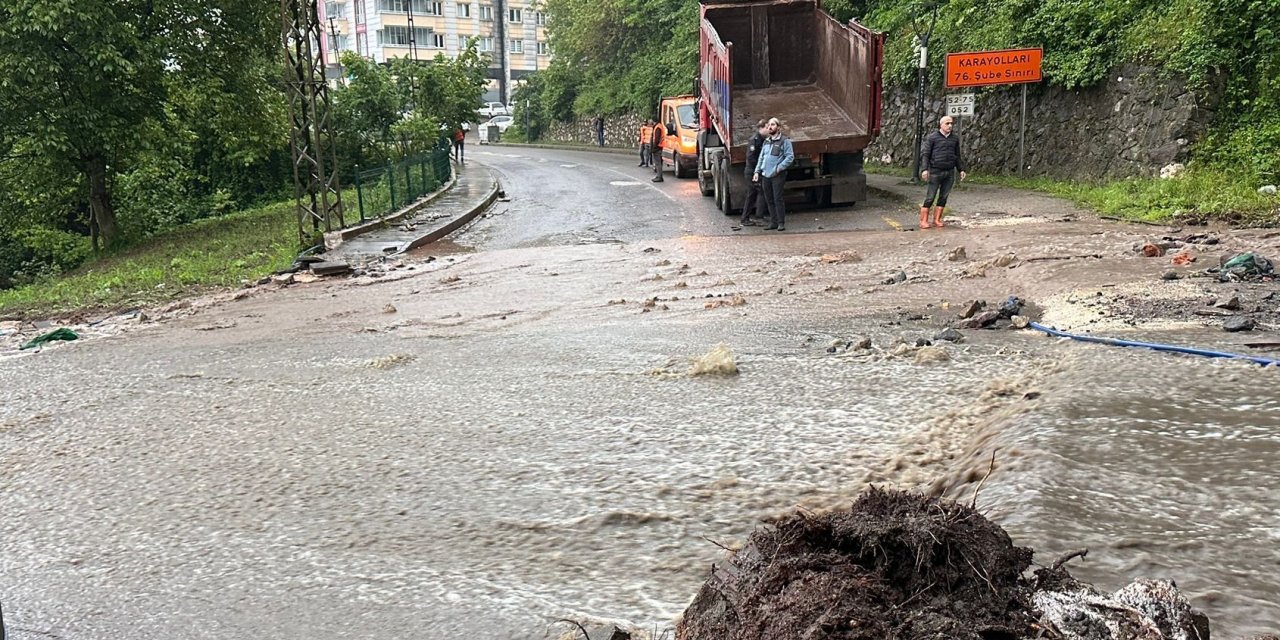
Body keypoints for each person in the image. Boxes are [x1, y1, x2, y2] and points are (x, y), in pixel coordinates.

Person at [919, 115, 967, 228]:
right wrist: (925, 169)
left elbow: (957, 156)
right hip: (935, 171)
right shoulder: (932, 138)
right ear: (941, 125)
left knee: (943, 197)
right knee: (930, 196)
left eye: (951, 123)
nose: (950, 126)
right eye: (947, 123)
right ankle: (923, 220)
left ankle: (937, 219)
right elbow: (926, 155)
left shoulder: (954, 139)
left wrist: (961, 169)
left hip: (949, 171)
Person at [753, 117, 794, 231]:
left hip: (777, 175)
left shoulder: (784, 141)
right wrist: (757, 171)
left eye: (773, 125)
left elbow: (790, 157)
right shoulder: (766, 142)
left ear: (778, 127)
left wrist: (779, 168)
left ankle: (781, 223)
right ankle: (773, 222)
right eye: (769, 125)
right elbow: (762, 157)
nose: (770, 127)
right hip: (766, 175)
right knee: (769, 199)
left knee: (778, 199)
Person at [740, 119, 768, 226]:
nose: (768, 129)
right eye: (766, 127)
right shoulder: (754, 140)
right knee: (753, 193)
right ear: (761, 128)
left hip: (756, 170)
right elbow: (751, 158)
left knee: (758, 192)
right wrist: (758, 169)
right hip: (752, 171)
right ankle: (748, 218)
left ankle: (756, 216)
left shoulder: (762, 139)